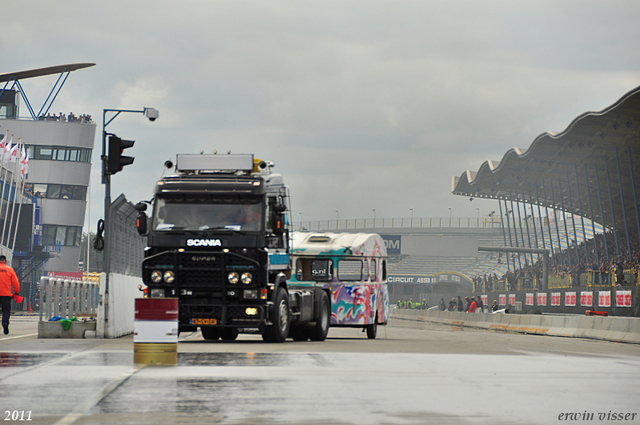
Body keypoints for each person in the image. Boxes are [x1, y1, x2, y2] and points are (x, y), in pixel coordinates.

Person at [0, 255, 20, 335]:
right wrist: (16, 292)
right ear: (5, 261)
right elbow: (15, 282)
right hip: (6, 295)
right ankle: (5, 323)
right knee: (6, 310)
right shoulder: (9, 269)